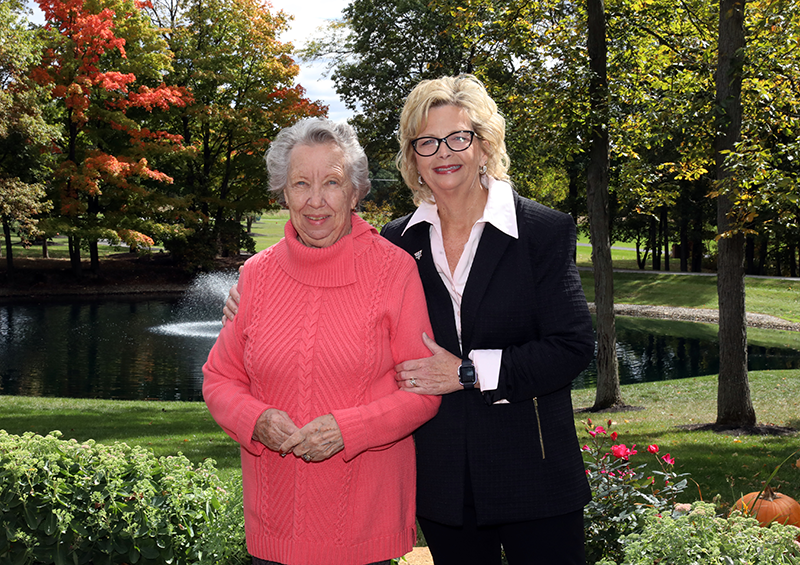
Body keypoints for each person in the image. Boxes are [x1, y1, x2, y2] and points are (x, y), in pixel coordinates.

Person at [225, 75, 595, 565]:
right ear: (413, 158)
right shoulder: (401, 242)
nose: (444, 152)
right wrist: (248, 299)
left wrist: (469, 372)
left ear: (484, 145)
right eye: (426, 142)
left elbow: (571, 347)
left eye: (458, 137)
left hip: (533, 473)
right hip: (444, 484)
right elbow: (336, 276)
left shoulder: (542, 230)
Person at [203, 117, 441, 565]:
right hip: (274, 526)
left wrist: (348, 431)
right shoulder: (255, 276)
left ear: (355, 192)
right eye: (300, 184)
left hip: (363, 528)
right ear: (283, 192)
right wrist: (255, 420)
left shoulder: (396, 271)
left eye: (331, 182)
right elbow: (219, 378)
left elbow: (423, 393)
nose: (316, 201)